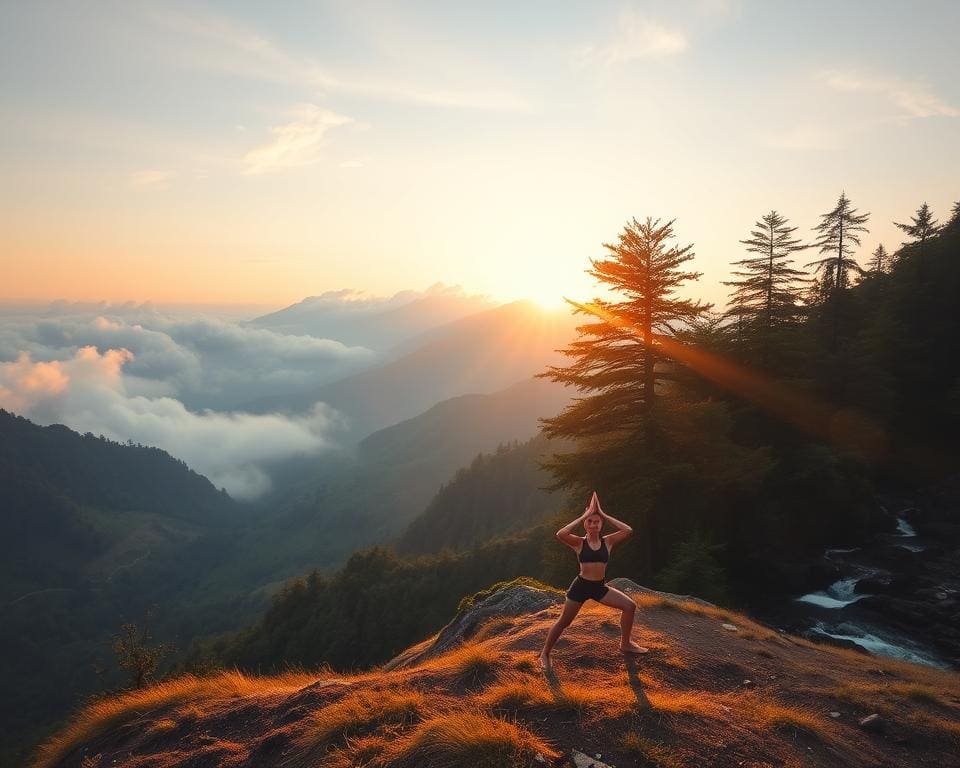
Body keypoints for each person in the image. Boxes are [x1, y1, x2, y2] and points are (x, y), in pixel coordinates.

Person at [538, 490, 648, 670]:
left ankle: (625, 643)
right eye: (590, 521)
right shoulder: (579, 543)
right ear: (585, 525)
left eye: (597, 521)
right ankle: (545, 653)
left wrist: (603, 513)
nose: (593, 524)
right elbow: (560, 534)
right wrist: (585, 514)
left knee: (630, 606)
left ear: (601, 524)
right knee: (564, 622)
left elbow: (628, 530)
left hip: (599, 587)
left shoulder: (608, 542)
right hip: (580, 587)